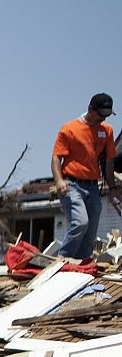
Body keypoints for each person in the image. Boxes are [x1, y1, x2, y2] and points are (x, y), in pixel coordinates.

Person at [52, 93, 117, 261]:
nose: (102, 120)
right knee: (80, 223)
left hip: (93, 186)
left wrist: (113, 187)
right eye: (100, 115)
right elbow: (56, 157)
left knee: (91, 230)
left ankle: (82, 264)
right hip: (71, 183)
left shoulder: (106, 131)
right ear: (90, 109)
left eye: (107, 116)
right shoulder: (69, 129)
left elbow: (109, 162)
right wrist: (59, 181)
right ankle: (63, 261)